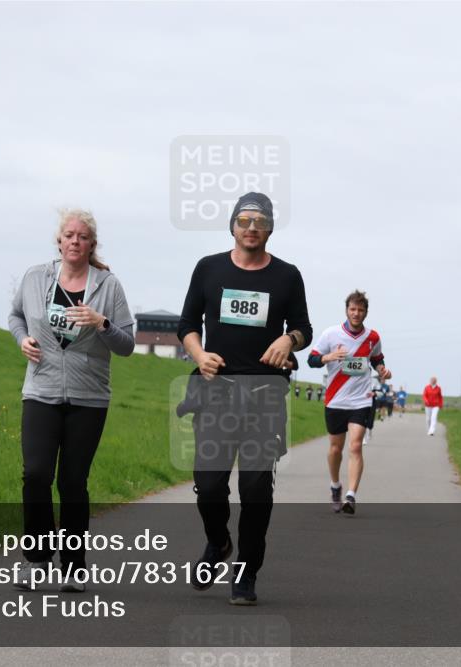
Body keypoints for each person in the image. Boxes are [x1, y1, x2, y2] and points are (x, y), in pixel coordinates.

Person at [177, 192, 312, 606]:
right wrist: (200, 356)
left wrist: (288, 340)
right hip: (217, 392)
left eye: (260, 221)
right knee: (209, 482)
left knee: (255, 488)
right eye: (244, 220)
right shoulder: (208, 268)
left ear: (270, 228)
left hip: (264, 395)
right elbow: (186, 324)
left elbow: (304, 328)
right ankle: (218, 543)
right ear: (232, 226)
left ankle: (247, 571)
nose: (251, 227)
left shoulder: (287, 276)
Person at [8, 208, 135, 592]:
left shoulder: (108, 286)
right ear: (59, 241)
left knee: (73, 483)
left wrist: (102, 323)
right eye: (69, 235)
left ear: (91, 245)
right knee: (35, 475)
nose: (75, 241)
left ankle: (75, 567)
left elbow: (127, 344)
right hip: (41, 391)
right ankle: (36, 558)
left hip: (88, 398)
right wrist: (22, 340)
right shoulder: (35, 278)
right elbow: (15, 316)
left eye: (82, 237)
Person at [308, 291, 390, 514]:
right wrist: (328, 357)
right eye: (353, 309)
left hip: (360, 400)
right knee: (336, 449)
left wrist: (382, 369)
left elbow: (376, 359)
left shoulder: (372, 337)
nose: (356, 313)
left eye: (360, 310)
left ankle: (351, 495)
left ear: (365, 313)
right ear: (346, 310)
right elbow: (311, 360)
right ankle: (335, 485)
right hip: (335, 400)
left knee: (355, 445)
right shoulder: (331, 334)